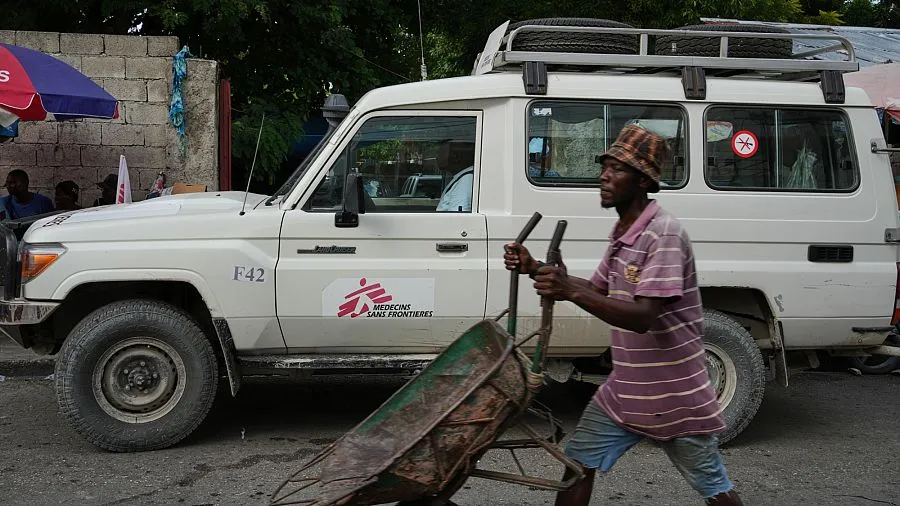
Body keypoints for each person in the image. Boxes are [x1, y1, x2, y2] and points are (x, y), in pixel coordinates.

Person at [503, 125, 743, 506]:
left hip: (673, 395)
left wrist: (565, 289)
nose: (605, 175)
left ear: (644, 180)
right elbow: (599, 291)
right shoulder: (625, 229)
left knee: (714, 488)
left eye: (618, 168)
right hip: (628, 389)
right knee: (578, 463)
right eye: (605, 166)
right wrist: (536, 269)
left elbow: (642, 317)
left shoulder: (662, 234)